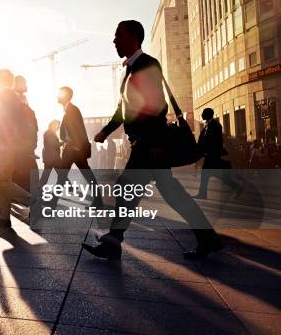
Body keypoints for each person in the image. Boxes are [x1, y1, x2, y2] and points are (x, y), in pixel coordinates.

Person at [85, 20, 221, 260]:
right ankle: (208, 239)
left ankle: (113, 242)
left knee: (128, 188)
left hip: (149, 145)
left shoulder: (147, 64)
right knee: (165, 192)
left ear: (134, 36)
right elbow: (123, 109)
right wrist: (106, 131)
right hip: (145, 143)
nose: (114, 40)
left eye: (118, 35)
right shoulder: (130, 69)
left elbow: (157, 105)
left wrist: (156, 143)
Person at [0, 69, 32, 229]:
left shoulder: (6, 95)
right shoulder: (10, 96)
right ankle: (4, 218)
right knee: (1, 182)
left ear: (2, 80)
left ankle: (34, 202)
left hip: (6, 147)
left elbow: (9, 124)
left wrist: (6, 143)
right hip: (6, 145)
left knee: (3, 182)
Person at [56, 86, 102, 208]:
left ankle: (50, 205)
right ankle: (98, 201)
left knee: (63, 176)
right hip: (72, 149)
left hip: (74, 150)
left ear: (65, 96)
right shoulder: (69, 110)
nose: (57, 96)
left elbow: (78, 129)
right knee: (66, 176)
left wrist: (76, 146)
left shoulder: (72, 110)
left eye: (60, 94)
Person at [194, 108, 243, 199]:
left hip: (213, 155)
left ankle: (203, 194)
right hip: (210, 155)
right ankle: (237, 187)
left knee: (207, 174)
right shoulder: (207, 126)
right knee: (211, 175)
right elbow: (203, 140)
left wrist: (210, 151)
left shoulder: (216, 125)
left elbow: (216, 141)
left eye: (204, 113)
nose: (202, 114)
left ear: (208, 114)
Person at [41, 120, 62, 185]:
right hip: (52, 158)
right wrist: (62, 143)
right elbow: (53, 144)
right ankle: (70, 187)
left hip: (50, 157)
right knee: (61, 173)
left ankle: (70, 187)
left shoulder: (49, 133)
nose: (58, 128)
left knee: (46, 175)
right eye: (58, 126)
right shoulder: (49, 133)